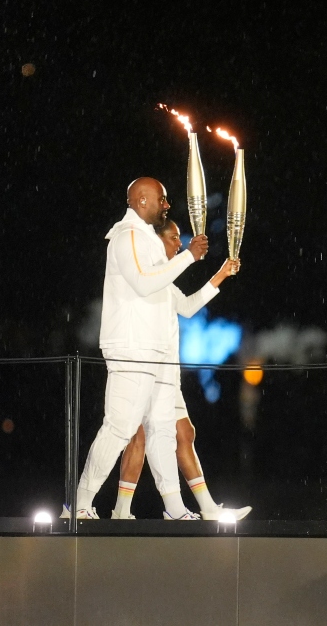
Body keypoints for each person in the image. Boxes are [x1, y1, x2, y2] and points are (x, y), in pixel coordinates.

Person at [64, 177, 209, 520]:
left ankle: (175, 508)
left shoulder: (148, 240)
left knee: (162, 431)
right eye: (163, 199)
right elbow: (144, 283)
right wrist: (188, 256)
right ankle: (77, 503)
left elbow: (171, 296)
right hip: (132, 348)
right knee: (118, 427)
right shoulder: (126, 236)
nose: (168, 205)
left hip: (156, 352)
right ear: (142, 201)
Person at [111, 219, 252, 521]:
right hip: (143, 371)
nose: (179, 244)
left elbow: (187, 307)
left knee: (184, 433)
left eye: (179, 239)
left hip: (166, 376)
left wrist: (221, 274)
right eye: (173, 239)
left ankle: (208, 508)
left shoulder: (164, 281)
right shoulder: (143, 277)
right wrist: (191, 256)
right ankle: (121, 511)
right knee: (138, 438)